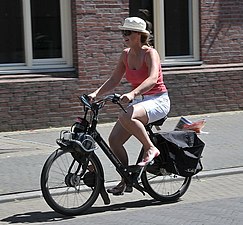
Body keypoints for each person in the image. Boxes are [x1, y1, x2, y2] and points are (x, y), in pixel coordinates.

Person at [89, 17, 170, 195]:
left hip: (158, 99)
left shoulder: (150, 53)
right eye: (123, 32)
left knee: (127, 115)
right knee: (114, 140)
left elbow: (152, 78)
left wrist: (133, 93)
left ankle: (150, 148)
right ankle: (126, 180)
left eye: (128, 32)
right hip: (140, 101)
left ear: (140, 35)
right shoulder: (126, 54)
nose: (124, 35)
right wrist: (96, 94)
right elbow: (114, 79)